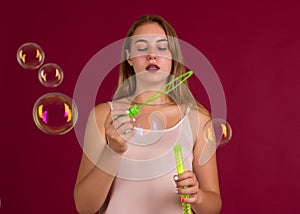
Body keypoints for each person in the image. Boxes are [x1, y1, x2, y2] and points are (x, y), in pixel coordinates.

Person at [74, 14, 222, 214]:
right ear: (129, 57)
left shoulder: (197, 119)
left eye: (162, 47)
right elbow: (85, 207)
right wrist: (113, 151)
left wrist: (198, 196)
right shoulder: (103, 116)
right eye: (142, 47)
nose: (152, 55)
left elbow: (213, 207)